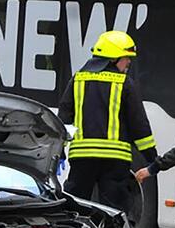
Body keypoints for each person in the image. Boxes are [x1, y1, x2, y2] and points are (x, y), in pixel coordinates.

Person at [58, 30, 157, 211]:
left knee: (74, 207)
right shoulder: (124, 83)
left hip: (82, 159)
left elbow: (63, 118)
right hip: (114, 162)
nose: (128, 62)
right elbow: (139, 124)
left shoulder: (78, 79)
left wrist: (59, 151)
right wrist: (152, 157)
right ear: (113, 58)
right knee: (114, 212)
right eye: (126, 57)